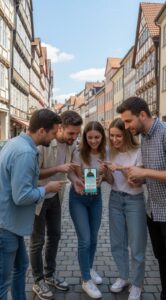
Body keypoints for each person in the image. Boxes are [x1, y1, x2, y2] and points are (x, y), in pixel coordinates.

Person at [0, 109, 66, 300]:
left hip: (6, 225)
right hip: (0, 227)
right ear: (41, 131)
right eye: (53, 132)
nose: (56, 136)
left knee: (21, 267)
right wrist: (47, 189)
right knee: (0, 285)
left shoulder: (16, 143)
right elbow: (22, 196)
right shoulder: (24, 152)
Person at [117, 97, 166, 300]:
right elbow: (157, 170)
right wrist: (138, 176)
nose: (126, 127)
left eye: (128, 121)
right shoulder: (146, 136)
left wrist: (145, 173)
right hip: (155, 211)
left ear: (142, 115)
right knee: (163, 261)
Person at [30, 110, 83, 300]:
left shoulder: (71, 145)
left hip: (55, 197)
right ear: (60, 128)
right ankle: (38, 280)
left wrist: (76, 180)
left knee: (55, 236)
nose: (74, 137)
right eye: (71, 134)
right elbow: (35, 174)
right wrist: (58, 169)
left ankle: (50, 275)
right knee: (37, 241)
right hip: (39, 197)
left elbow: (70, 170)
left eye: (77, 134)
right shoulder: (44, 145)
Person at [104, 118, 147, 300]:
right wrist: (104, 172)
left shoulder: (138, 152)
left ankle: (137, 285)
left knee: (136, 245)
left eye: (118, 136)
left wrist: (119, 168)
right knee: (117, 243)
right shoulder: (110, 152)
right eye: (112, 136)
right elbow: (112, 181)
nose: (114, 139)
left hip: (134, 200)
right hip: (115, 198)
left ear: (127, 134)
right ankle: (123, 277)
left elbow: (135, 181)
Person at [68, 121, 108, 299]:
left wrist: (103, 175)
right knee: (84, 240)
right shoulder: (78, 153)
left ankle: (89, 269)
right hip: (78, 199)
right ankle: (85, 280)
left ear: (102, 137)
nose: (93, 141)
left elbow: (105, 178)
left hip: (96, 198)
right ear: (85, 137)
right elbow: (71, 173)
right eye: (90, 137)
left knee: (93, 238)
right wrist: (75, 180)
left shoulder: (105, 153)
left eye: (97, 137)